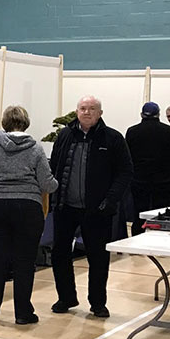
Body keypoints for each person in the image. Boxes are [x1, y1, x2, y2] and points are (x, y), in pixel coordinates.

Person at [0, 105, 58, 325]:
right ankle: (23, 313)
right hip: (26, 207)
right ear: (26, 123)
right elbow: (47, 184)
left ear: (4, 122)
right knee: (24, 261)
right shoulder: (35, 148)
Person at [49, 95, 133, 318]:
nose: (87, 112)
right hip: (65, 207)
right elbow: (54, 166)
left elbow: (125, 172)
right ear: (77, 111)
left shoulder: (113, 138)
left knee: (98, 258)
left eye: (92, 108)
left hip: (97, 210)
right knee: (60, 254)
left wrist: (110, 200)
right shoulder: (64, 135)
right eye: (83, 108)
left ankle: (98, 303)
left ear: (100, 113)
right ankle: (66, 297)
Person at [126, 102, 170, 236]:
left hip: (139, 179)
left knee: (139, 213)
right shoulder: (169, 131)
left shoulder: (132, 131)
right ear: (158, 114)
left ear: (141, 114)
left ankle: (136, 238)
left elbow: (127, 156)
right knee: (160, 213)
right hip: (163, 180)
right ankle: (159, 238)